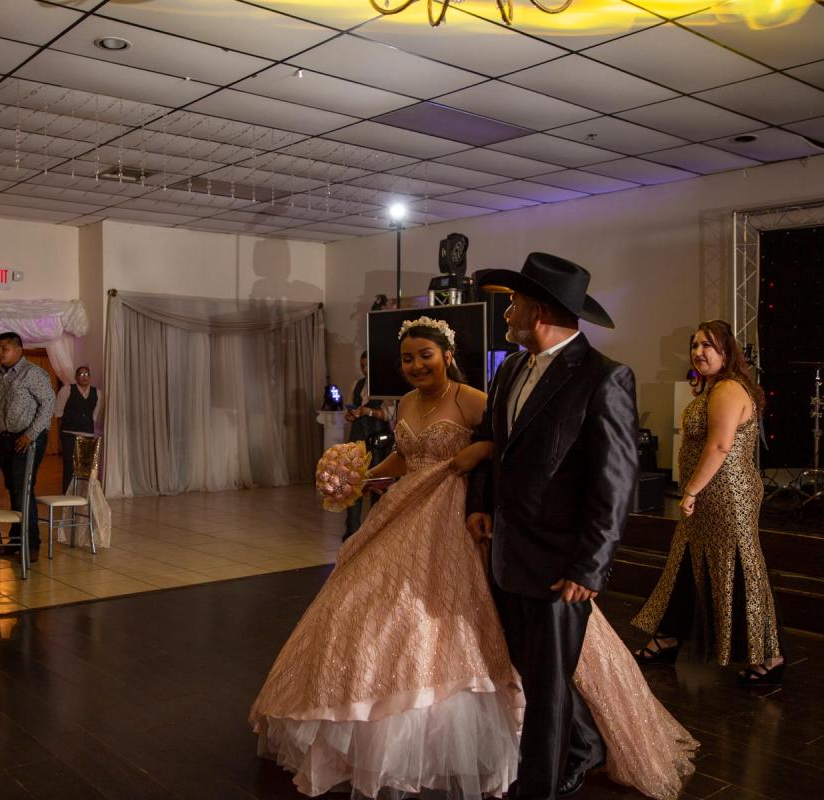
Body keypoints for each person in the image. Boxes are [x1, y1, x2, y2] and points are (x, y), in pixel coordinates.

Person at [250, 317, 696, 800]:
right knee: (367, 607)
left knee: (463, 621)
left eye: (425, 355)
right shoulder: (405, 403)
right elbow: (406, 456)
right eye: (407, 358)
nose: (416, 365)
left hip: (460, 515)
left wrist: (479, 450)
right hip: (408, 510)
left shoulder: (471, 397)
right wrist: (365, 477)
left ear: (447, 355)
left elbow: (508, 443)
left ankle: (560, 738)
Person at [466, 253, 642, 800]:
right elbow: (494, 447)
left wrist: (591, 566)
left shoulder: (604, 377)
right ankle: (585, 746)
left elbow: (616, 483)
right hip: (506, 553)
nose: (506, 313)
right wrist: (481, 503)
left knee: (546, 688)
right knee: (534, 670)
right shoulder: (509, 371)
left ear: (538, 311)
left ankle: (536, 788)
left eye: (513, 303)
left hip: (562, 563)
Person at [632, 320, 785, 686]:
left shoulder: (729, 388)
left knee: (737, 570)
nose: (698, 352)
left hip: (726, 496)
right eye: (695, 345)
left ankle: (770, 656)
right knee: (687, 563)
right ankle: (667, 637)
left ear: (726, 352)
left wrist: (690, 492)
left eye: (707, 346)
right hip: (710, 496)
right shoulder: (715, 387)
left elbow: (719, 446)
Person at [0, 331, 54, 561]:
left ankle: (30, 544)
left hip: (27, 438)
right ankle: (16, 540)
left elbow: (48, 404)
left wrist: (30, 435)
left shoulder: (32, 373)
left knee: (22, 488)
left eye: (4, 348)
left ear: (18, 349)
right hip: (3, 439)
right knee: (13, 488)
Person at [342, 350, 392, 539]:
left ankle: (375, 532)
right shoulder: (357, 385)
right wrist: (351, 415)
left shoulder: (385, 386)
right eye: (362, 366)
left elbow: (389, 415)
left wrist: (369, 412)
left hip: (377, 442)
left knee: (376, 486)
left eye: (367, 365)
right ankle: (351, 533)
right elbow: (349, 410)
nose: (365, 370)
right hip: (357, 440)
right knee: (353, 486)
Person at [54, 365, 101, 491]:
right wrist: (60, 433)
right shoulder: (67, 390)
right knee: (69, 464)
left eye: (86, 374)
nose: (84, 377)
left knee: (85, 466)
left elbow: (94, 415)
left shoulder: (97, 393)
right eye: (81, 374)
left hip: (87, 434)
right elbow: (59, 412)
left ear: (90, 376)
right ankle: (67, 492)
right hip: (68, 433)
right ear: (76, 377)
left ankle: (83, 492)